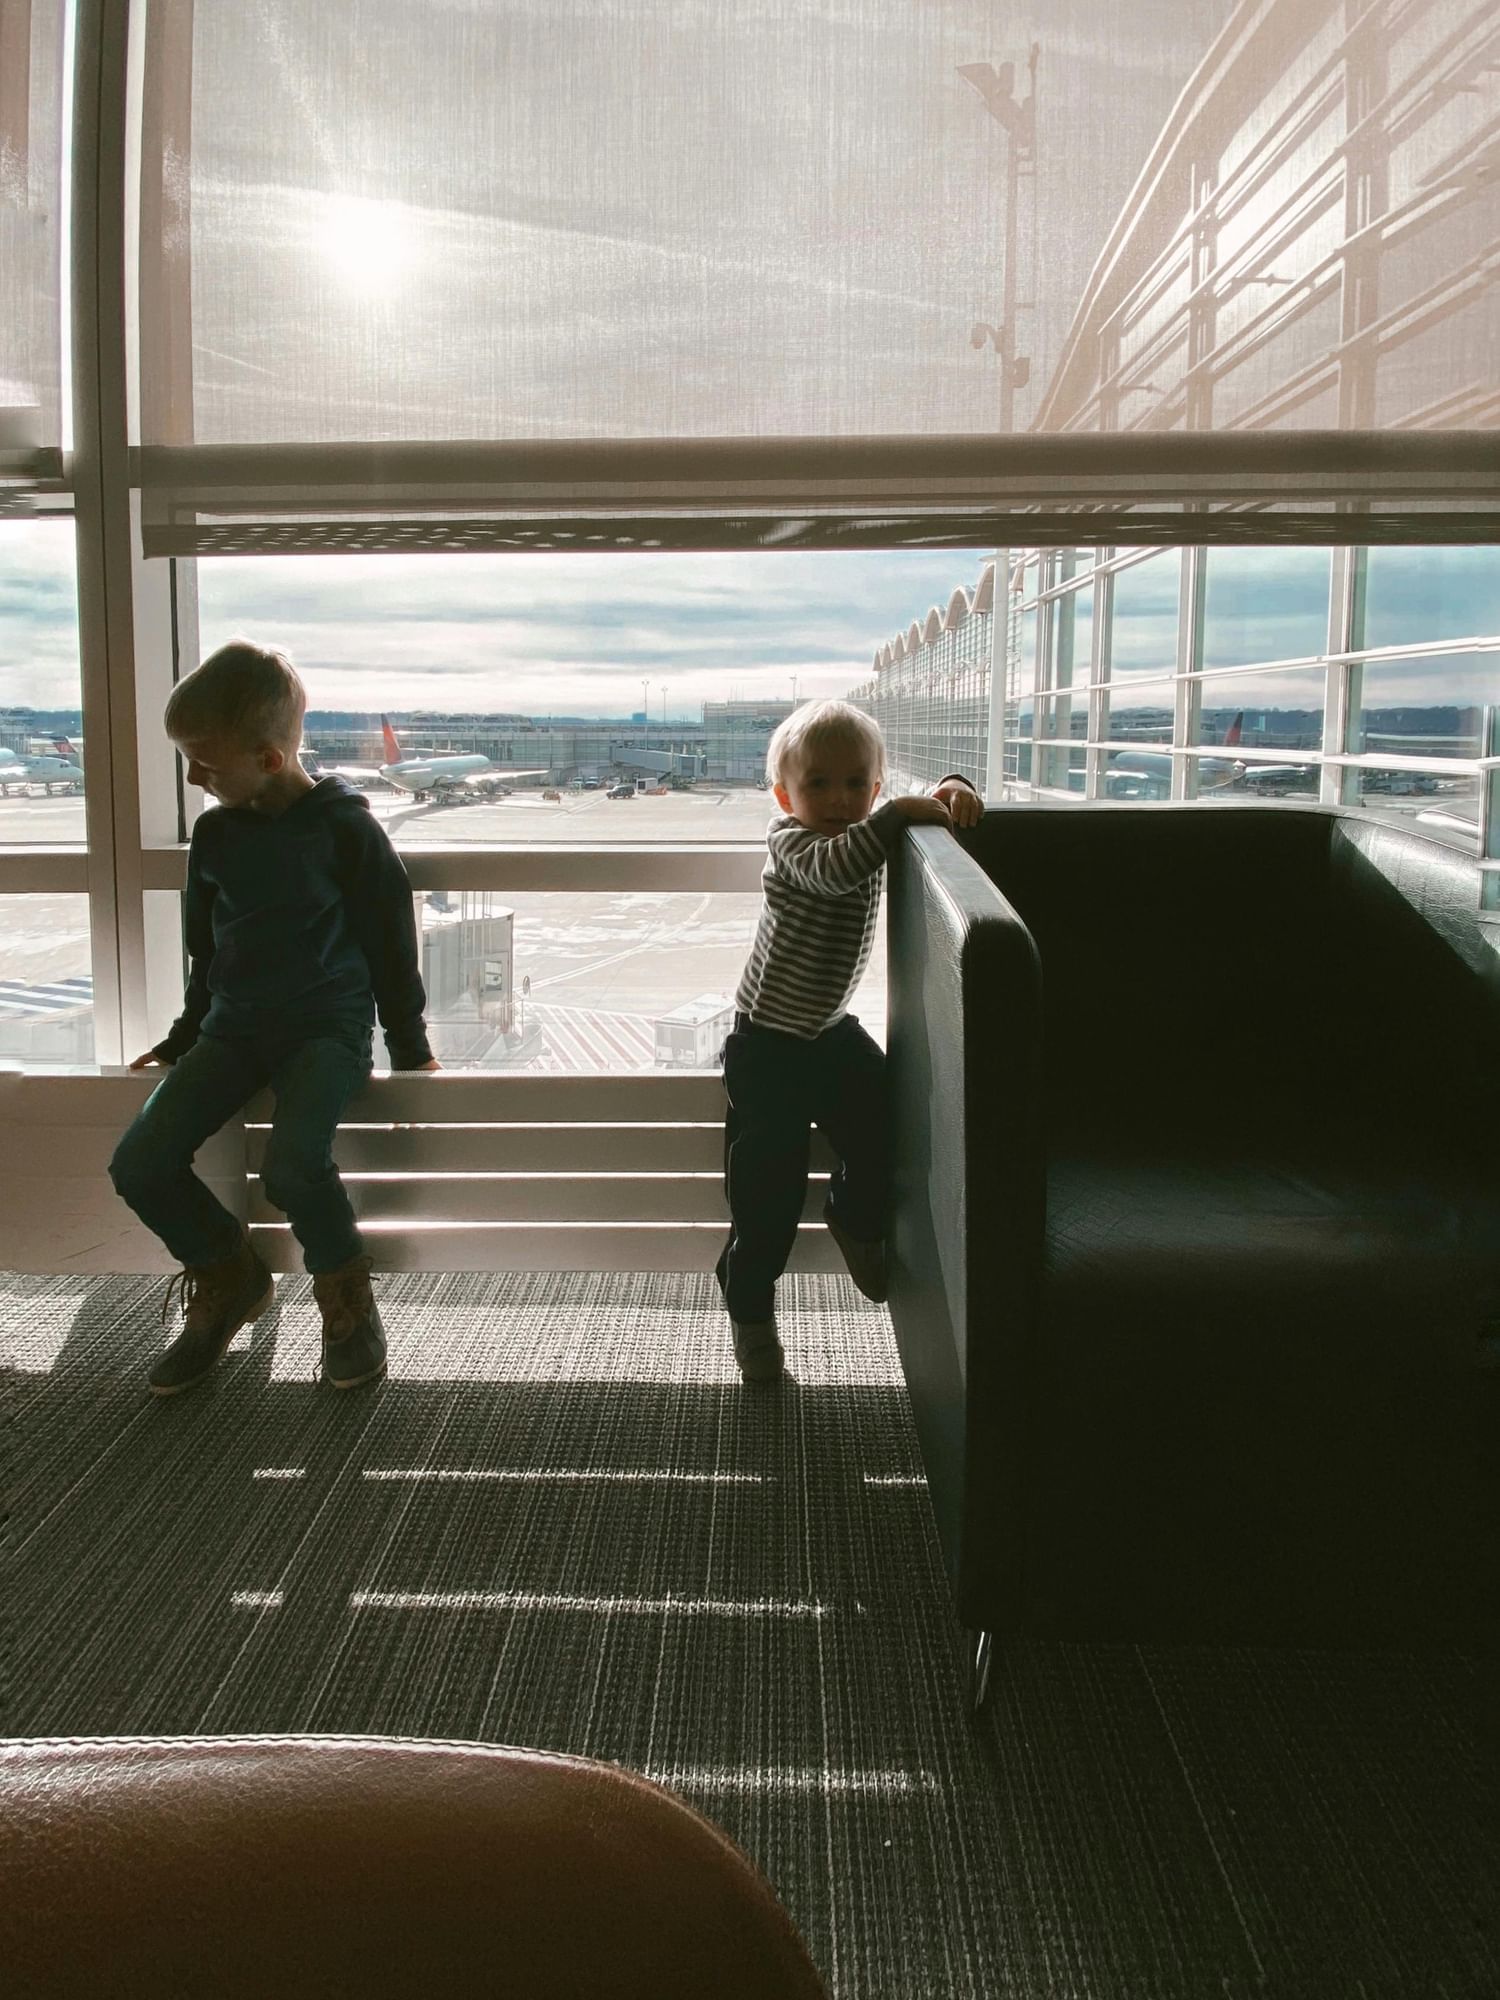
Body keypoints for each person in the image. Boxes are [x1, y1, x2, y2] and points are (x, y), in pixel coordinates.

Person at [109, 640, 439, 1396]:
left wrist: (410, 1046)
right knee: (139, 1163)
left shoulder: (345, 829)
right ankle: (230, 1275)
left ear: (265, 757)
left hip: (327, 1031)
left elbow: (392, 943)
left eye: (204, 761)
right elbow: (206, 949)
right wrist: (187, 1034)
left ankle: (346, 1297)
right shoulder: (217, 835)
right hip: (233, 1030)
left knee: (294, 1168)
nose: (193, 777)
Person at [716, 700, 981, 1382]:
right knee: (764, 1201)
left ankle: (853, 1217)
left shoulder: (870, 823)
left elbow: (898, 821)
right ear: (784, 795)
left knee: (893, 1121)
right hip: (768, 1046)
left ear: (875, 784)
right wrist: (894, 813)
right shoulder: (794, 844)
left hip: (826, 1033)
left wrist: (950, 788)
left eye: (855, 784)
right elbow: (839, 867)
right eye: (818, 785)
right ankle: (750, 1310)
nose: (838, 800)